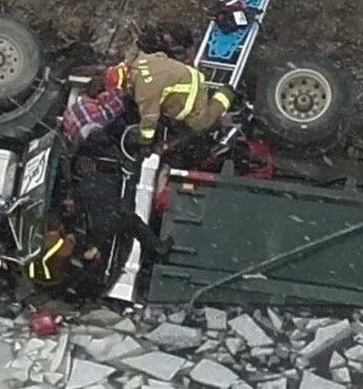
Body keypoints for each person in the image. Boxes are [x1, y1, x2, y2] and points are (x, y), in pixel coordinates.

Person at [26, 172, 172, 296]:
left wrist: (94, 247)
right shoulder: (83, 197)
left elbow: (104, 228)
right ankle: (156, 249)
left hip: (111, 205)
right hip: (109, 191)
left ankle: (157, 249)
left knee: (131, 222)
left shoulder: (96, 218)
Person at [113, 24, 234, 146]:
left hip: (191, 88)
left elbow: (149, 118)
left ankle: (227, 93)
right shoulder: (137, 61)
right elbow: (138, 49)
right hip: (181, 73)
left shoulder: (144, 90)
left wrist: (144, 141)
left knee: (200, 123)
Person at [60, 76, 126, 153]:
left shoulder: (77, 105)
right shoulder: (94, 114)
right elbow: (120, 102)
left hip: (73, 146)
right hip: (85, 146)